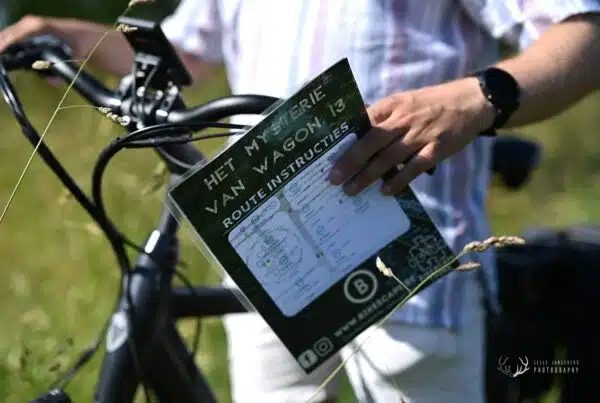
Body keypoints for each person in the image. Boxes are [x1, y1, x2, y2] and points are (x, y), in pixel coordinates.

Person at [1, 1, 600, 402]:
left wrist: (479, 97)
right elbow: (183, 56)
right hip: (269, 262)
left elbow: (584, 32)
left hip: (407, 269)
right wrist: (70, 41)